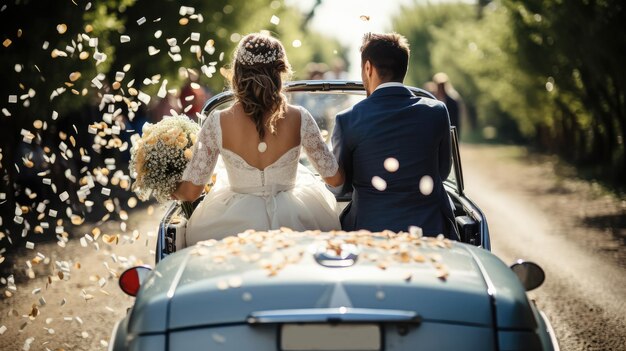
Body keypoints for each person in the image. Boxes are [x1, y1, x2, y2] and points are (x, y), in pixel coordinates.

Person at [173, 33, 343, 246]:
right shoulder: (300, 117)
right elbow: (335, 179)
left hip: (232, 226)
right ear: (279, 73)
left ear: (237, 73)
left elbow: (190, 192)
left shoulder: (218, 121)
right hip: (296, 221)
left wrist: (168, 186)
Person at [331, 32, 457, 238]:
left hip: (368, 232)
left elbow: (341, 185)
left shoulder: (348, 119)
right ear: (404, 68)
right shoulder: (437, 112)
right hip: (429, 232)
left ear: (368, 68)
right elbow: (441, 173)